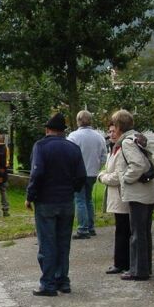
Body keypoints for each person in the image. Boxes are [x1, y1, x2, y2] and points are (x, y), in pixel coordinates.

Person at [25, 113, 87, 296]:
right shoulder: (73, 148)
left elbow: (37, 173)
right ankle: (63, 281)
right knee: (63, 242)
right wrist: (71, 189)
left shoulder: (41, 146)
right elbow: (81, 176)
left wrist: (30, 196)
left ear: (47, 129)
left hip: (46, 201)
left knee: (47, 243)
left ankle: (48, 283)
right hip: (67, 201)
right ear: (63, 131)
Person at [109, 109, 154, 281]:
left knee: (137, 232)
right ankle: (145, 267)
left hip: (138, 193)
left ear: (118, 126)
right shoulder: (139, 138)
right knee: (144, 232)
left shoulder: (127, 143)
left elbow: (137, 165)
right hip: (148, 190)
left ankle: (137, 270)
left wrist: (125, 179)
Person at [67, 110, 107, 239]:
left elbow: (69, 155)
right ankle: (90, 227)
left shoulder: (73, 136)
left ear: (78, 121)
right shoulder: (99, 136)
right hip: (92, 172)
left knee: (79, 200)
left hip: (77, 173)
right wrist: (97, 167)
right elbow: (103, 156)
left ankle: (83, 228)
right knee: (88, 199)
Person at [97, 123, 130, 274]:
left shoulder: (122, 149)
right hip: (116, 196)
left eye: (113, 131)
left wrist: (103, 177)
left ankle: (122, 263)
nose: (111, 134)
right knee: (121, 229)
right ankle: (121, 262)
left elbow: (117, 176)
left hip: (121, 196)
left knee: (123, 230)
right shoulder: (114, 149)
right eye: (109, 131)